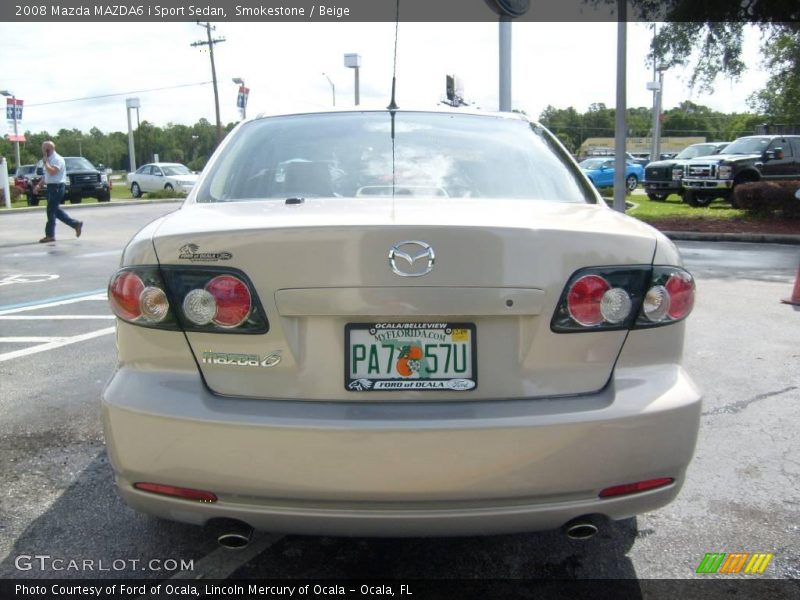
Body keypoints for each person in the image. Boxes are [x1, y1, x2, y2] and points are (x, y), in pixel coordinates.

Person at [36, 140, 82, 243]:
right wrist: (39, 185)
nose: (42, 150)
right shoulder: (48, 159)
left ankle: (50, 235)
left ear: (49, 149)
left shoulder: (57, 159)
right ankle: (75, 224)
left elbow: (53, 172)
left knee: (51, 211)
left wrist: (46, 162)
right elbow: (47, 175)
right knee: (55, 210)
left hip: (57, 187)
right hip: (51, 187)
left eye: (44, 149)